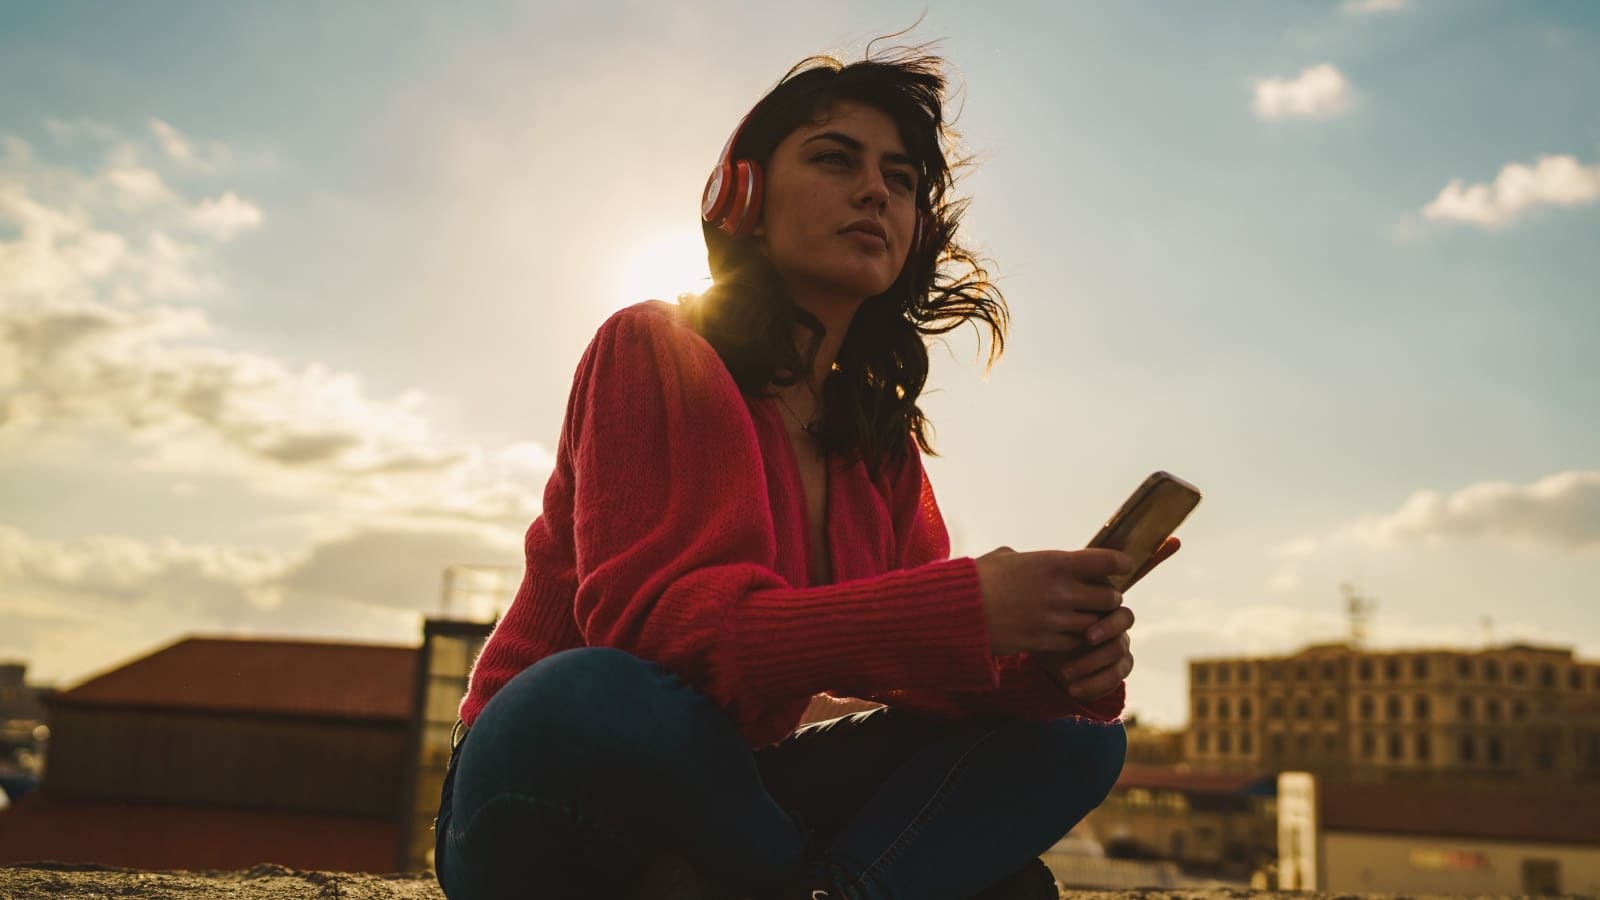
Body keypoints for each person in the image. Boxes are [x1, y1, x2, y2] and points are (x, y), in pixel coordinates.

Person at [432, 42, 1180, 900]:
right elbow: (657, 639)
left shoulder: (878, 443)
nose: (876, 191)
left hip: (740, 798)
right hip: (559, 774)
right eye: (836, 160)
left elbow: (911, 666)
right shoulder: (655, 346)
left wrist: (1041, 660)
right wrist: (970, 606)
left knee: (1078, 736)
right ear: (739, 196)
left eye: (901, 181)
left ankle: (836, 888)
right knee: (589, 691)